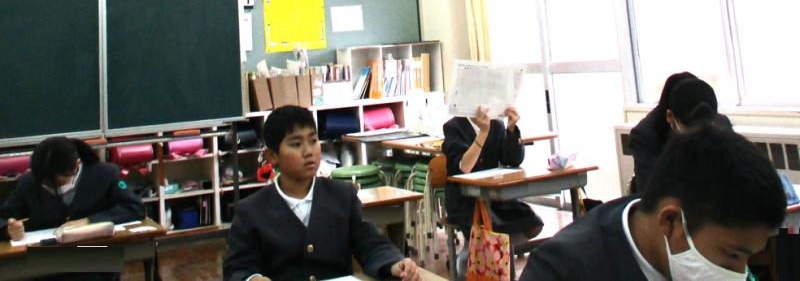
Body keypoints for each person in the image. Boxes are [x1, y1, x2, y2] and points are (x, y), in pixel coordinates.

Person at [519, 125, 787, 280]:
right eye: (732, 256)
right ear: (670, 221)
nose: (740, 274)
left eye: (747, 258)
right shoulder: (561, 271)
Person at [223, 105, 421, 281]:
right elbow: (237, 268)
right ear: (272, 156)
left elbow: (369, 244)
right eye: (296, 144)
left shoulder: (342, 196)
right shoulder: (251, 211)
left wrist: (394, 263)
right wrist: (253, 278)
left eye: (313, 140)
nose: (308, 151)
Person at [443, 105, 543, 277]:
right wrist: (483, 133)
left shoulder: (496, 124)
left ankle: (481, 252)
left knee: (532, 223)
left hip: (493, 197)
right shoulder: (453, 126)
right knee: (492, 229)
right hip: (465, 200)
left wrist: (511, 129)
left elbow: (511, 159)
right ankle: (472, 255)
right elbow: (464, 167)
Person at [0, 136, 144, 242]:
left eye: (59, 182)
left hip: (97, 249)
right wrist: (8, 230)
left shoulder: (105, 173)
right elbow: (4, 217)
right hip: (47, 256)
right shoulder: (29, 181)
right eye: (46, 183)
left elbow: (135, 207)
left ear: (76, 165)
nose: (54, 187)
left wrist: (88, 221)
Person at [629, 73, 732, 191]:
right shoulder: (645, 135)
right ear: (670, 117)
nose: (699, 135)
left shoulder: (720, 123)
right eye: (691, 129)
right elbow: (650, 191)